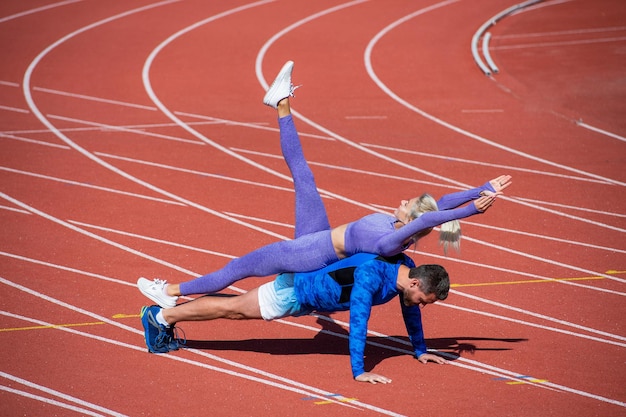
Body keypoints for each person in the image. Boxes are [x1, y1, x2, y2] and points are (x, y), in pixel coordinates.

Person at [137, 61, 512, 308]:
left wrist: (470, 212)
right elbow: (440, 203)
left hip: (308, 254)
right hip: (319, 234)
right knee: (304, 174)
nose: (401, 200)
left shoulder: (394, 239)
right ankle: (281, 103)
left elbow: (430, 218)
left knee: (240, 267)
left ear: (411, 218)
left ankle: (169, 292)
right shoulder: (405, 228)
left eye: (407, 202)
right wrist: (482, 188)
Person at [141, 251, 450, 384]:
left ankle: (166, 315)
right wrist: (359, 371)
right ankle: (162, 316)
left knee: (236, 307)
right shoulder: (372, 277)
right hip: (297, 291)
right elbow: (359, 322)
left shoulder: (404, 267)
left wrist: (420, 350)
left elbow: (409, 310)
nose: (420, 305)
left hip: (306, 291)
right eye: (425, 300)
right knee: (233, 309)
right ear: (415, 283)